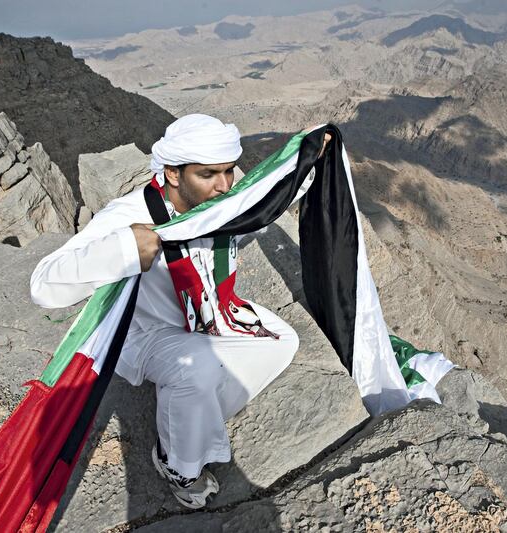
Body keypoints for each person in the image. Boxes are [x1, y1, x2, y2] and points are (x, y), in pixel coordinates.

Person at [29, 114, 330, 509]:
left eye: (228, 171)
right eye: (209, 174)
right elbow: (43, 285)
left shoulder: (218, 202)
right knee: (197, 366)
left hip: (210, 311)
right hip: (150, 334)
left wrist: (306, 160)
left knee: (283, 341)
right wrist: (121, 249)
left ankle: (190, 416)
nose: (224, 185)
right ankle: (177, 463)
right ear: (173, 173)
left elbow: (263, 201)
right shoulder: (128, 215)